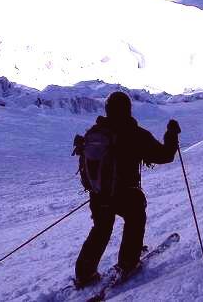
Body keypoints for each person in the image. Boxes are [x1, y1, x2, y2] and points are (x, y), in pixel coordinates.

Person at [74, 91, 180, 287]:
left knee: (101, 229)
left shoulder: (94, 133)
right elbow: (165, 155)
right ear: (128, 109)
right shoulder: (135, 134)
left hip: (98, 194)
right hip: (126, 193)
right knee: (135, 219)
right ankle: (128, 263)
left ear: (107, 110)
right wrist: (171, 135)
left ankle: (84, 273)